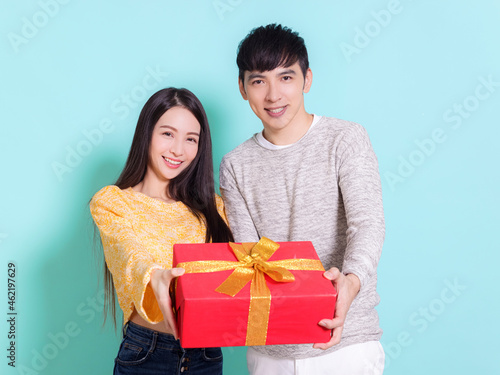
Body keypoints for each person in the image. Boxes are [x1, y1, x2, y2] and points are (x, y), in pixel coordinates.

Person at [219, 24, 386, 374]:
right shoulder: (235, 164)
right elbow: (251, 256)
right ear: (242, 88)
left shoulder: (345, 139)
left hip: (346, 342)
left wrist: (351, 281)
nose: (273, 95)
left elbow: (367, 224)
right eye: (259, 81)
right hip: (269, 351)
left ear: (307, 79)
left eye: (286, 77)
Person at [90, 87, 233, 375]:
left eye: (191, 139)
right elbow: (130, 254)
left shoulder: (215, 209)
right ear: (147, 134)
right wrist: (156, 277)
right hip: (147, 354)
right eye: (168, 134)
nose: (178, 150)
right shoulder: (114, 203)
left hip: (206, 356)